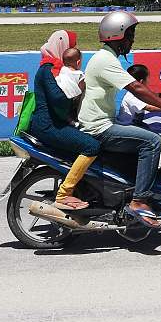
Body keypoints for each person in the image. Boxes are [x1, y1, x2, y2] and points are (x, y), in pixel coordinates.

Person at [78, 12, 161, 228]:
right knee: (152, 141)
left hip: (102, 123)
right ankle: (139, 201)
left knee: (142, 140)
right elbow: (136, 87)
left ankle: (129, 191)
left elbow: (137, 88)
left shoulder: (106, 58)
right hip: (99, 128)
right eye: (130, 35)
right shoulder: (105, 60)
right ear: (117, 36)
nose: (132, 40)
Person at [28, 30, 100, 210]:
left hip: (55, 123)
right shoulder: (47, 70)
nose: (74, 49)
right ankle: (64, 195)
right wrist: (79, 88)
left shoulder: (59, 69)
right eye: (71, 46)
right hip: (48, 126)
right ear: (62, 47)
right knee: (91, 146)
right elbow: (58, 99)